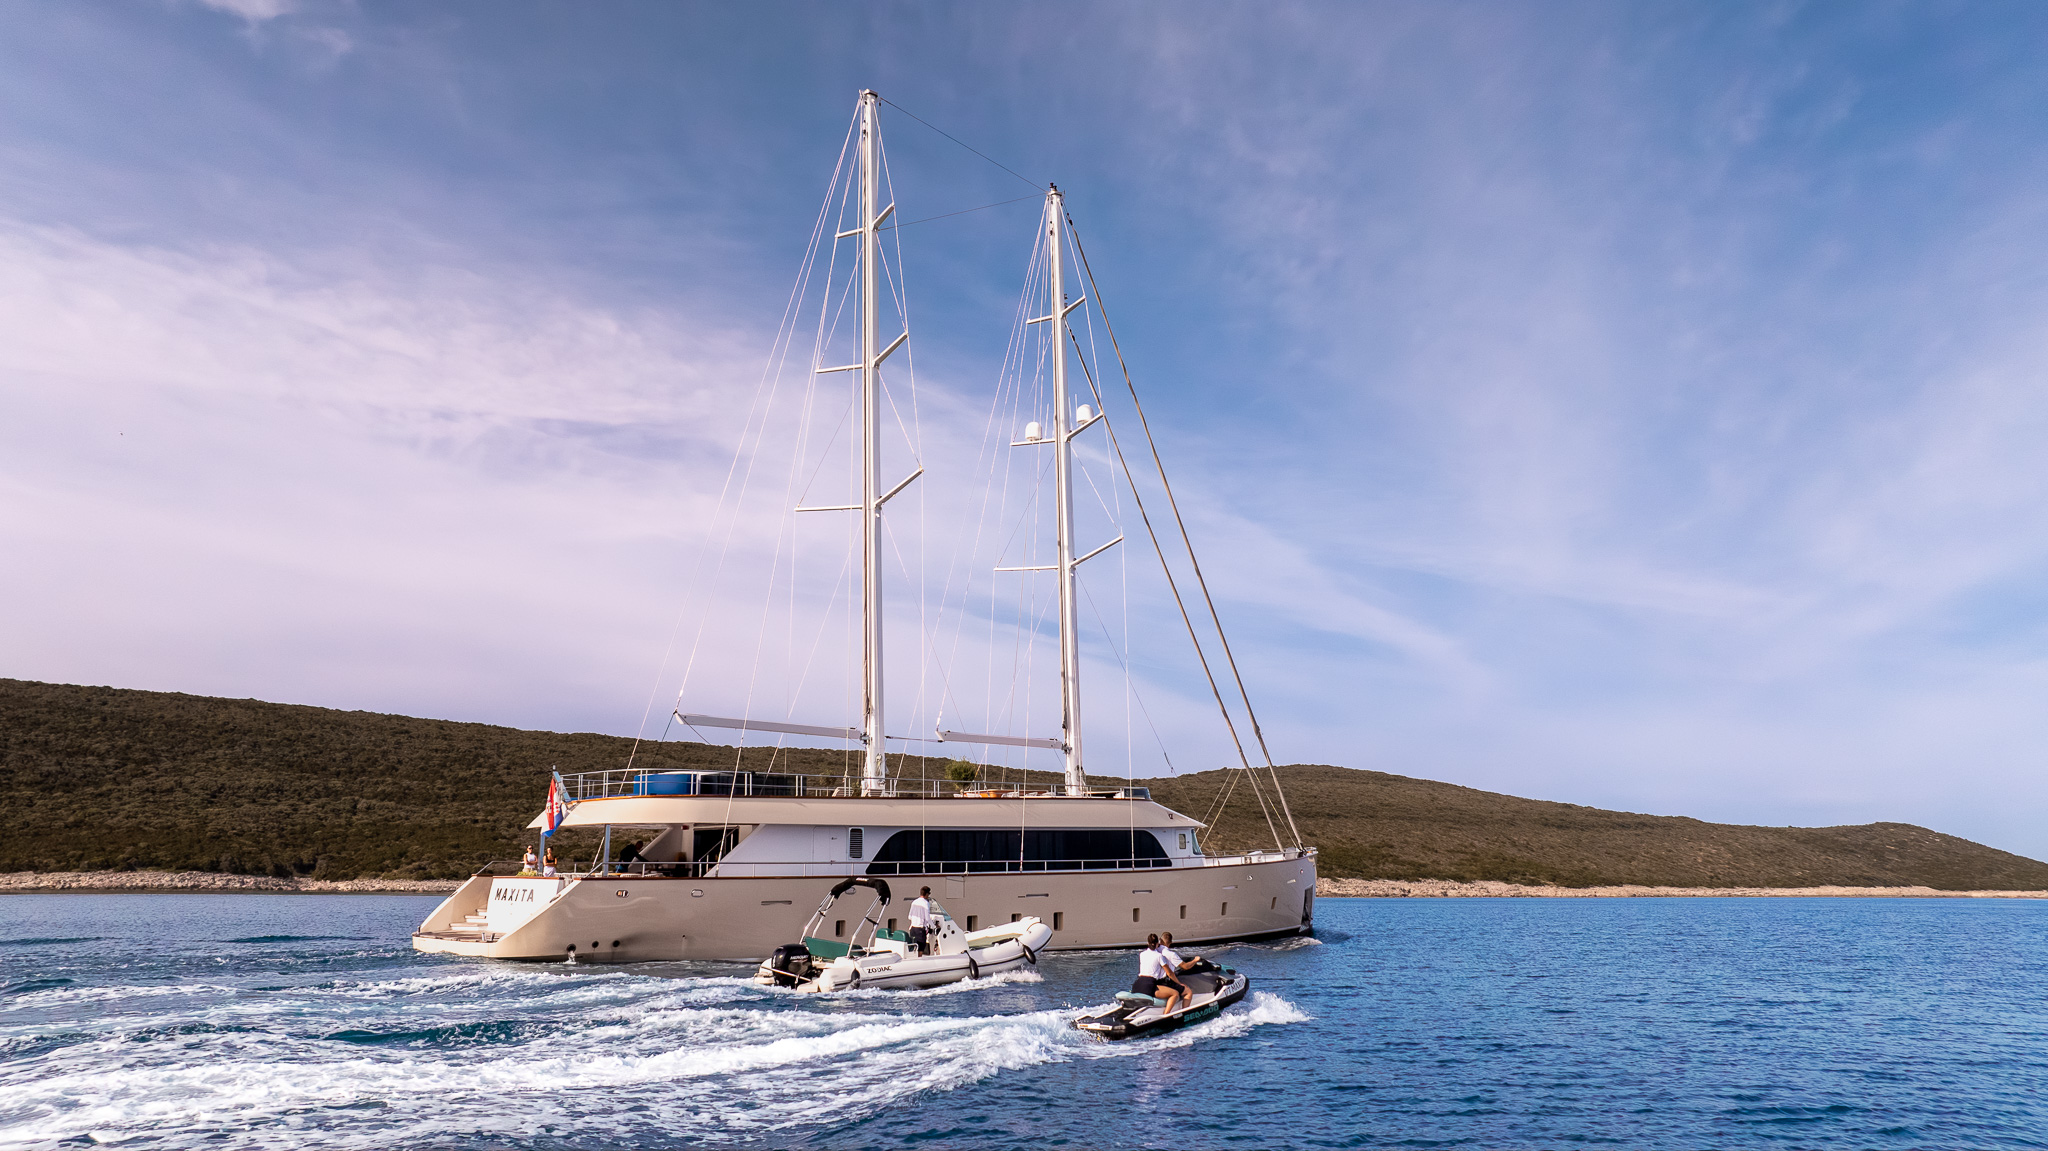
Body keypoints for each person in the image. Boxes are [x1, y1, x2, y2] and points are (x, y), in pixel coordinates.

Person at [1134, 933, 1184, 1014]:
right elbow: (1169, 973)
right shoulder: (1159, 956)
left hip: (1137, 984)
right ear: (1157, 944)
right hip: (1149, 985)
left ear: (1148, 943)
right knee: (1175, 994)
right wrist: (1179, 984)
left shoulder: (1142, 954)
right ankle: (1166, 1015)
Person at [907, 886, 934, 956]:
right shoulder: (925, 903)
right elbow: (927, 918)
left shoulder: (914, 902)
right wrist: (934, 926)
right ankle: (919, 960)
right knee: (921, 948)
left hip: (912, 929)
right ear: (927, 894)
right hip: (920, 930)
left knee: (914, 947)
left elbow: (909, 916)